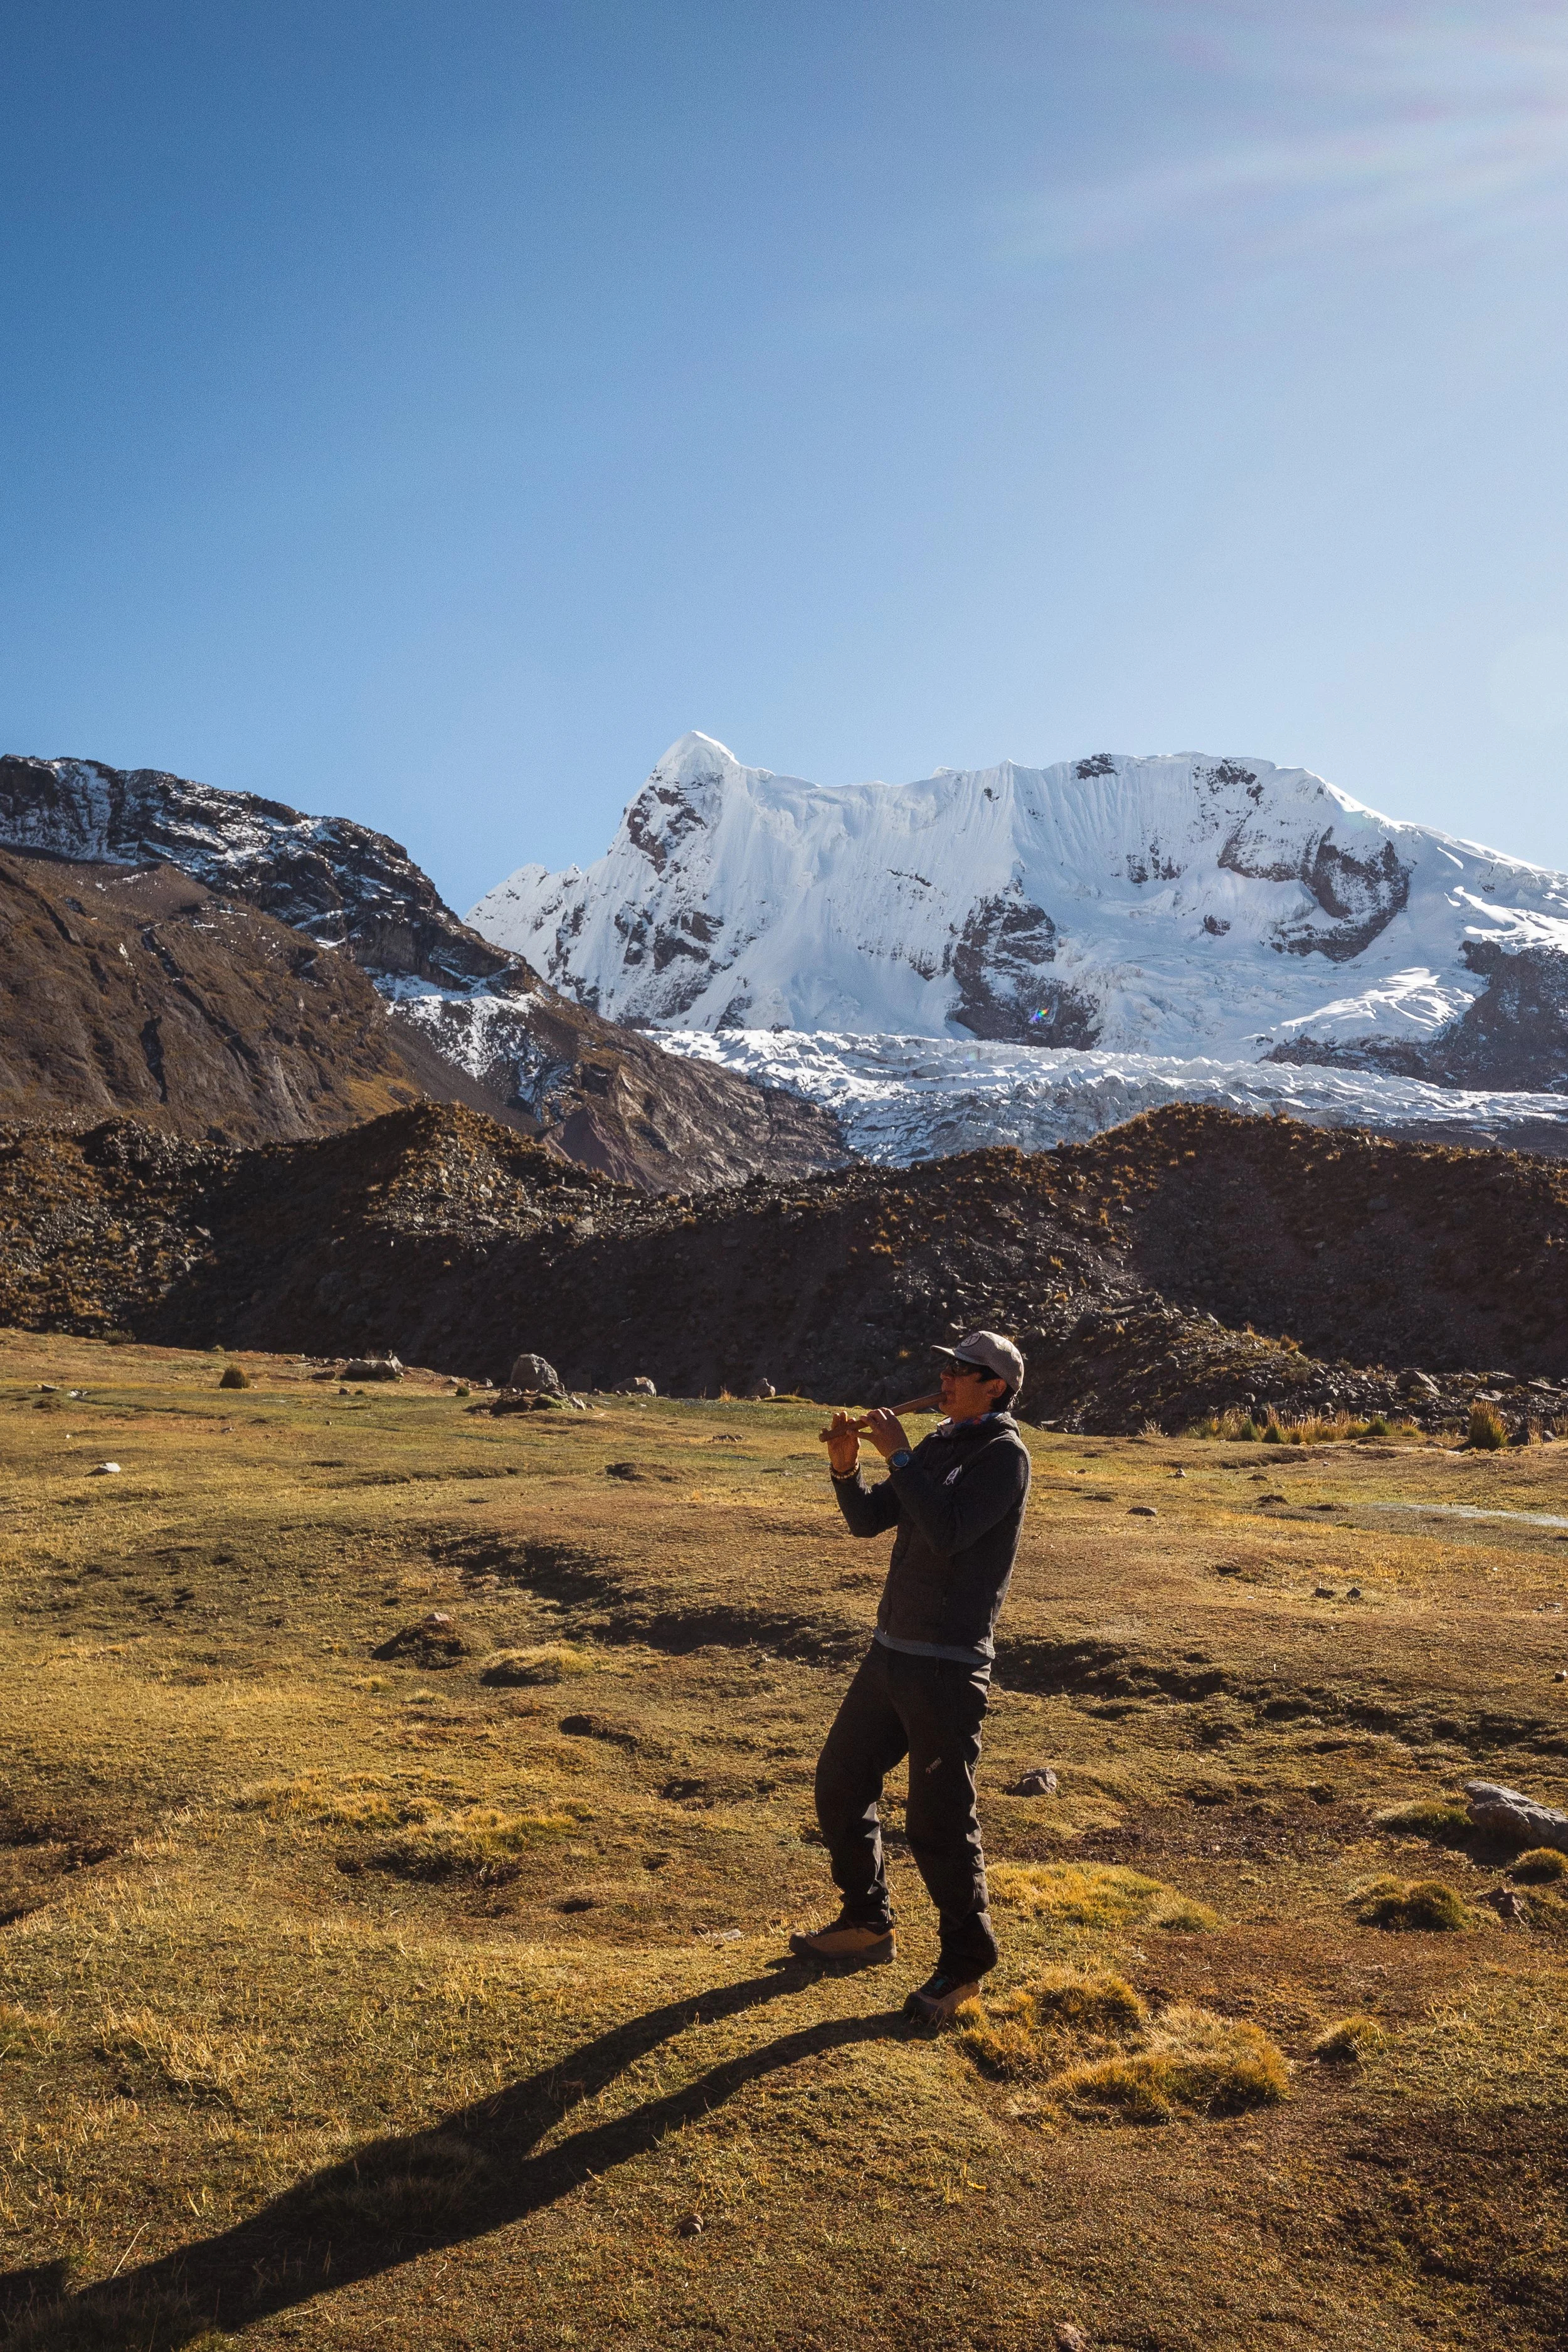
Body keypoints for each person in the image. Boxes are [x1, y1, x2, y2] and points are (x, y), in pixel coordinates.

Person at [789, 1330, 1031, 2024]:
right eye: (947, 1365)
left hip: (948, 1667)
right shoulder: (943, 1443)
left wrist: (897, 1454)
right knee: (839, 1782)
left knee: (939, 1824)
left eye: (965, 1369)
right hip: (891, 1653)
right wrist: (846, 1470)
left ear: (997, 1387)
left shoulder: (1002, 1457)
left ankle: (964, 1967)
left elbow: (950, 1530)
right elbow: (872, 1522)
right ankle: (867, 1923)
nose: (946, 1376)